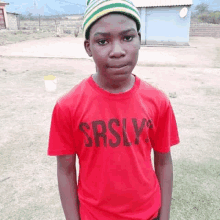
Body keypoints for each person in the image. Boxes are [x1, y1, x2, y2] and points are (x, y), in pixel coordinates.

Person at [47, 0, 180, 219]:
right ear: (88, 47)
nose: (117, 51)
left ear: (139, 39)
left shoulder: (158, 101)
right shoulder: (67, 106)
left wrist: (163, 216)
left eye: (128, 38)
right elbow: (65, 170)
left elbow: (164, 162)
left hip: (149, 213)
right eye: (103, 41)